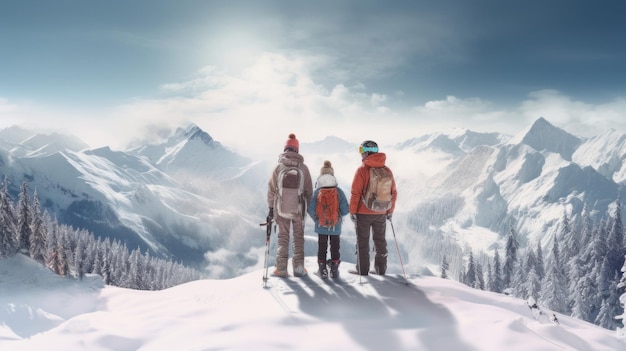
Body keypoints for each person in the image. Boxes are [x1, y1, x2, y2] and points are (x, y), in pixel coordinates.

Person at [267, 133, 313, 277]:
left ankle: (281, 269)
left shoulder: (278, 167)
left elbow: (271, 190)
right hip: (299, 210)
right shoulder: (304, 168)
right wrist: (307, 209)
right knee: (298, 237)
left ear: (285, 149)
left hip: (281, 209)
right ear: (297, 150)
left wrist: (271, 208)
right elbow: (309, 191)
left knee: (283, 237)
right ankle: (299, 269)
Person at [349, 140, 397, 275]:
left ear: (367, 152)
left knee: (363, 242)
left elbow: (355, 193)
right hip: (381, 212)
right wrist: (390, 211)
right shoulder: (387, 170)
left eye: (361, 151)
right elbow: (393, 193)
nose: (361, 155)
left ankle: (362, 271)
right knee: (380, 240)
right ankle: (381, 269)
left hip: (363, 213)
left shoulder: (362, 170)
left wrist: (352, 211)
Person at [307, 160, 349, 279]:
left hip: (321, 226)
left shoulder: (317, 192)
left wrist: (317, 219)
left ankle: (322, 270)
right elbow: (346, 209)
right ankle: (334, 269)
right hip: (335, 226)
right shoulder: (338, 192)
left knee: (322, 247)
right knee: (335, 246)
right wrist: (338, 216)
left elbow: (310, 209)